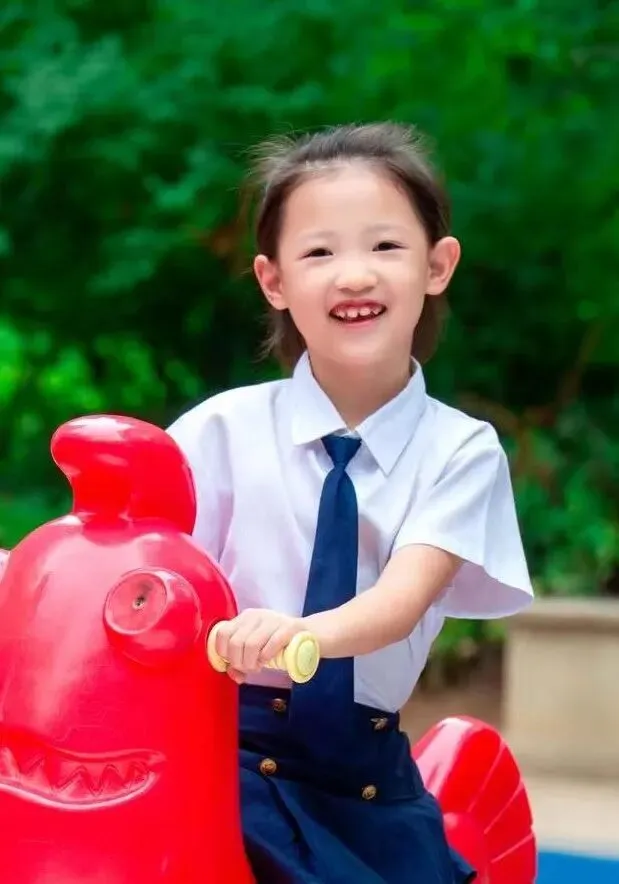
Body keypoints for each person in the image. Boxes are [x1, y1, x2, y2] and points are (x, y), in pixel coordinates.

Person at [166, 121, 534, 884]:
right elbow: (134, 573)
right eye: (319, 253)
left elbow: (399, 603)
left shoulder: (460, 450)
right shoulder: (217, 431)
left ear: (437, 265)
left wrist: (297, 633)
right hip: (220, 764)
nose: (354, 275)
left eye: (384, 246)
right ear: (273, 281)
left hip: (363, 786)